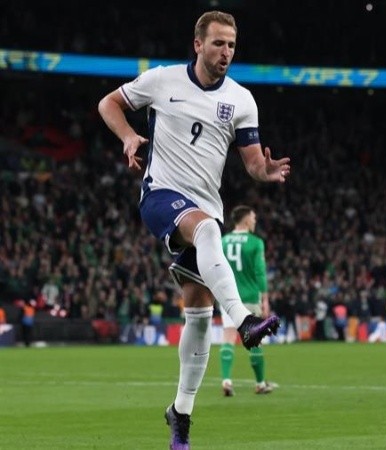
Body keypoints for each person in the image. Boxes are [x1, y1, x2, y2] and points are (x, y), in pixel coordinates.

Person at [97, 10, 289, 450]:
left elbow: (253, 162)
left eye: (232, 46)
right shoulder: (162, 81)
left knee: (199, 315)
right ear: (198, 44)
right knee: (206, 233)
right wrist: (128, 136)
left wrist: (266, 172)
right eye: (218, 43)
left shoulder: (241, 100)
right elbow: (109, 103)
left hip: (207, 207)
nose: (226, 53)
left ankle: (180, 414)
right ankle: (243, 321)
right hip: (161, 196)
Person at [220, 205, 277, 397]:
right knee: (254, 341)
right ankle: (260, 383)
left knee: (228, 338)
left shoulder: (223, 241)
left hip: (227, 296)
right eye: (253, 217)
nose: (254, 220)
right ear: (245, 220)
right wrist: (265, 298)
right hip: (250, 296)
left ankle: (226, 380)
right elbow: (260, 272)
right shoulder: (256, 242)